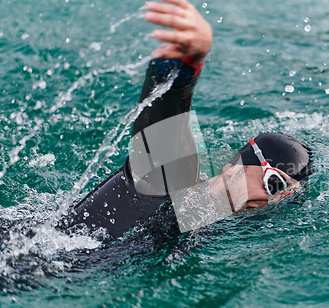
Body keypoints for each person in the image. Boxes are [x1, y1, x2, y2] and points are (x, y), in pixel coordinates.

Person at [58, 0, 313, 239]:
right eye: (274, 184)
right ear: (237, 164)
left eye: (285, 199)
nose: (271, 202)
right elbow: (166, 111)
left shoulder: (206, 228)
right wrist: (188, 61)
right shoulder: (172, 184)